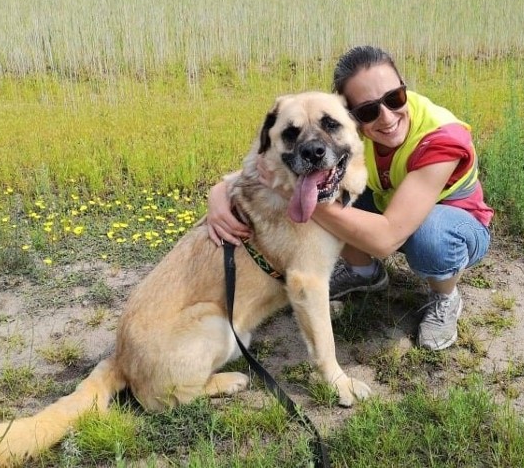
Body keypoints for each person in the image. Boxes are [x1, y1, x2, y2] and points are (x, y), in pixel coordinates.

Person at [204, 46, 493, 351]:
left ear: (404, 88)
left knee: (429, 236)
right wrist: (220, 191)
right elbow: (269, 166)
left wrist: (294, 195)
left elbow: (387, 239)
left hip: (453, 223)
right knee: (329, 183)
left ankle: (445, 295)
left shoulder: (440, 137)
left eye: (394, 98)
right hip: (390, 205)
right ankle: (364, 272)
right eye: (368, 110)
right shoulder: (347, 129)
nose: (386, 117)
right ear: (351, 116)